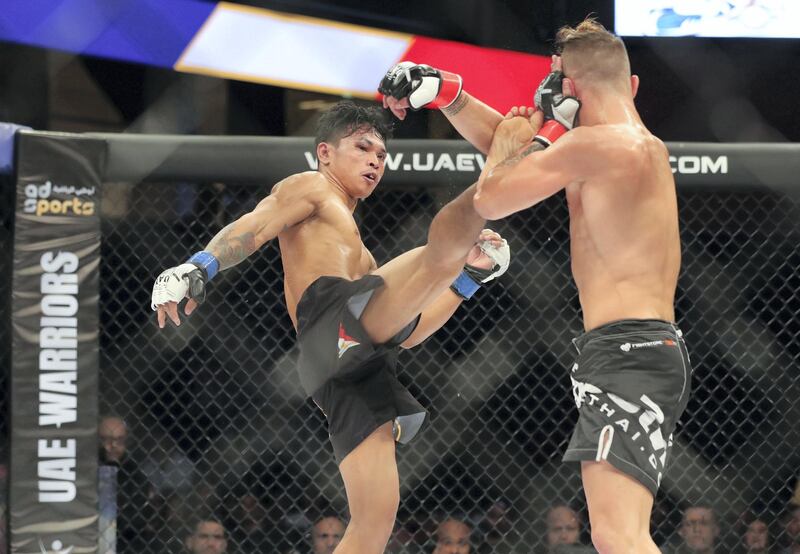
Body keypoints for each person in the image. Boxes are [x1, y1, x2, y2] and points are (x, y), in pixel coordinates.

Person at [380, 17, 691, 554]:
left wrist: (547, 130)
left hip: (630, 352)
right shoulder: (624, 145)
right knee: (619, 534)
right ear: (632, 84)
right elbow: (515, 153)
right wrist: (449, 95)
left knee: (620, 538)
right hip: (631, 350)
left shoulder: (602, 146)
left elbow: (492, 196)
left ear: (563, 89)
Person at [151, 101, 510, 554]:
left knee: (374, 523)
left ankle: (469, 239)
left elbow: (410, 330)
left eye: (381, 154)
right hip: (330, 320)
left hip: (352, 361)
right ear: (325, 152)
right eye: (362, 148)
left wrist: (467, 281)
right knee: (444, 245)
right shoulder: (312, 188)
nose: (375, 161)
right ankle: (504, 168)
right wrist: (199, 266)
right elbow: (255, 225)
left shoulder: (364, 260)